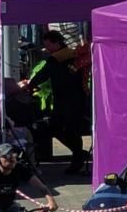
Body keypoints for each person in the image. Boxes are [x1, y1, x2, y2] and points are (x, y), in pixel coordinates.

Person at [21, 30, 89, 174]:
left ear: (57, 43)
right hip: (74, 99)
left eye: (48, 45)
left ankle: (78, 156)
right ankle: (78, 155)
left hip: (68, 100)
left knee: (62, 129)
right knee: (69, 130)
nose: (46, 49)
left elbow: (43, 74)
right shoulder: (72, 55)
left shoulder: (57, 59)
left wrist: (29, 85)